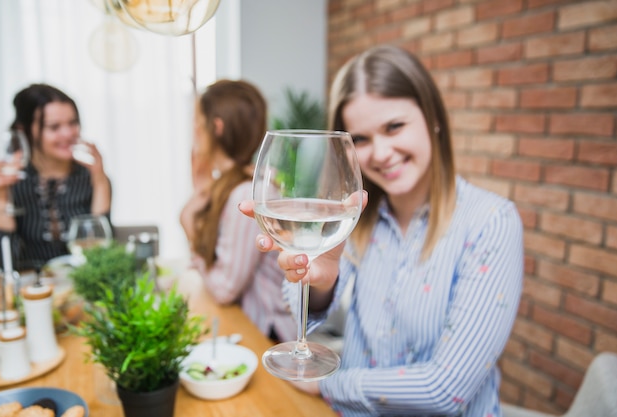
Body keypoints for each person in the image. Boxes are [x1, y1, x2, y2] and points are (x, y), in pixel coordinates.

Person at [240, 44, 524, 416]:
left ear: (433, 117)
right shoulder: (358, 215)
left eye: (394, 127)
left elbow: (447, 388)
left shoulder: (490, 222)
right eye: (360, 139)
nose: (381, 152)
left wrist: (326, 383)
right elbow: (304, 319)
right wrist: (321, 282)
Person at [180, 79, 294, 343]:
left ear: (216, 127)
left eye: (197, 122)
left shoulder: (245, 193)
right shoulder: (234, 185)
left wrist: (189, 226)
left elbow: (224, 289)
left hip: (266, 336)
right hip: (244, 326)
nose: (194, 130)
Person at [0, 83, 111, 268]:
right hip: (33, 291)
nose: (68, 133)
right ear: (24, 130)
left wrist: (100, 182)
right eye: (54, 127)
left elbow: (102, 257)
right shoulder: (10, 183)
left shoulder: (90, 177)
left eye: (73, 123)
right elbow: (9, 264)